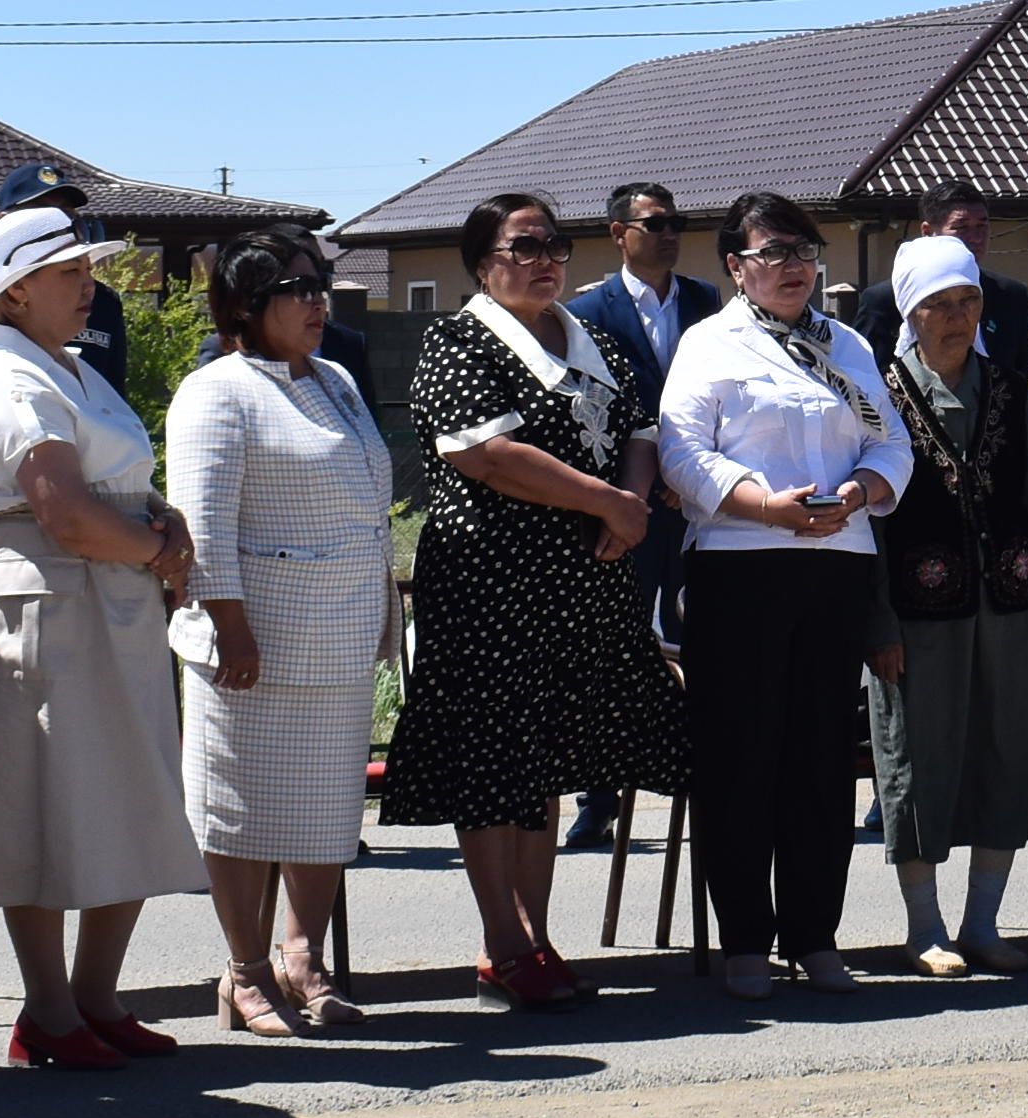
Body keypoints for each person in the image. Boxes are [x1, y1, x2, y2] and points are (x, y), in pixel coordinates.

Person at [391, 193, 682, 1007]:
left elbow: (641, 429)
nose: (544, 260)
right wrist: (606, 502)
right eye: (523, 247)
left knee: (546, 761)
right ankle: (502, 945)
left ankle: (538, 937)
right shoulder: (458, 340)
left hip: (585, 581)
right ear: (482, 262)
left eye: (553, 244)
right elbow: (486, 453)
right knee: (494, 762)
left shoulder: (593, 341)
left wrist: (628, 505)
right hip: (491, 583)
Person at [0, 204, 206, 1066]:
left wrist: (161, 521)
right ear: (14, 292)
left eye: (88, 270)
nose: (88, 287)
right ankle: (48, 1011)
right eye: (68, 274)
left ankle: (96, 997)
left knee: (128, 787)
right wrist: (158, 551)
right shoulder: (8, 379)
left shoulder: (74, 368)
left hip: (113, 594)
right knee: (45, 796)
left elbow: (117, 482)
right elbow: (64, 512)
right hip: (48, 596)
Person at [662, 191, 913, 997]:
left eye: (803, 251)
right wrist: (764, 506)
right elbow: (682, 453)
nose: (793, 266)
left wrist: (861, 491)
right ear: (736, 268)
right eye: (772, 253)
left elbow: (892, 441)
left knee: (820, 757)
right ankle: (745, 940)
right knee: (742, 756)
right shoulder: (708, 344)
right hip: (741, 567)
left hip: (836, 564)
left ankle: (815, 935)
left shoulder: (847, 344)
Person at [172, 229, 398, 1032]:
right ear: (245, 304)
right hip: (253, 646)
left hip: (338, 635)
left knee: (326, 813)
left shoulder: (335, 378)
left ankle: (303, 958)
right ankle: (244, 971)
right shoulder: (216, 391)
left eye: (319, 286)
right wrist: (230, 627)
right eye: (297, 290)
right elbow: (202, 524)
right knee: (239, 812)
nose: (317, 303)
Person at [864, 232, 1028, 975]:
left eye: (968, 301)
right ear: (910, 313)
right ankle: (925, 929)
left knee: (1008, 754)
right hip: (916, 621)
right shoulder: (878, 398)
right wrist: (876, 623)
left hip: (1012, 612)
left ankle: (983, 923)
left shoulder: (1014, 394)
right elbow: (868, 529)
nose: (957, 317)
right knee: (917, 763)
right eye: (939, 305)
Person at [0, 162, 132, 689]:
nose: (59, 227)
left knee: (84, 671)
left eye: (67, 217)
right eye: (40, 215)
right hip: (3, 505)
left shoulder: (102, 303)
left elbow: (110, 397)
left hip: (91, 501)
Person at [564, 179, 722, 855]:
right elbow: (587, 409)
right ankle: (598, 800)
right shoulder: (585, 312)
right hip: (624, 509)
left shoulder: (706, 301)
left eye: (675, 222)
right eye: (655, 223)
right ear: (618, 233)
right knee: (613, 650)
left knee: (704, 642)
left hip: (693, 504)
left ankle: (706, 779)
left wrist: (690, 475)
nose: (669, 233)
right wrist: (633, 484)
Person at [848, 177, 1028, 377]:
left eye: (982, 226)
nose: (976, 238)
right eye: (961, 228)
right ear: (928, 232)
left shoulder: (1011, 295)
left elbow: (1019, 375)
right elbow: (863, 377)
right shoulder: (884, 300)